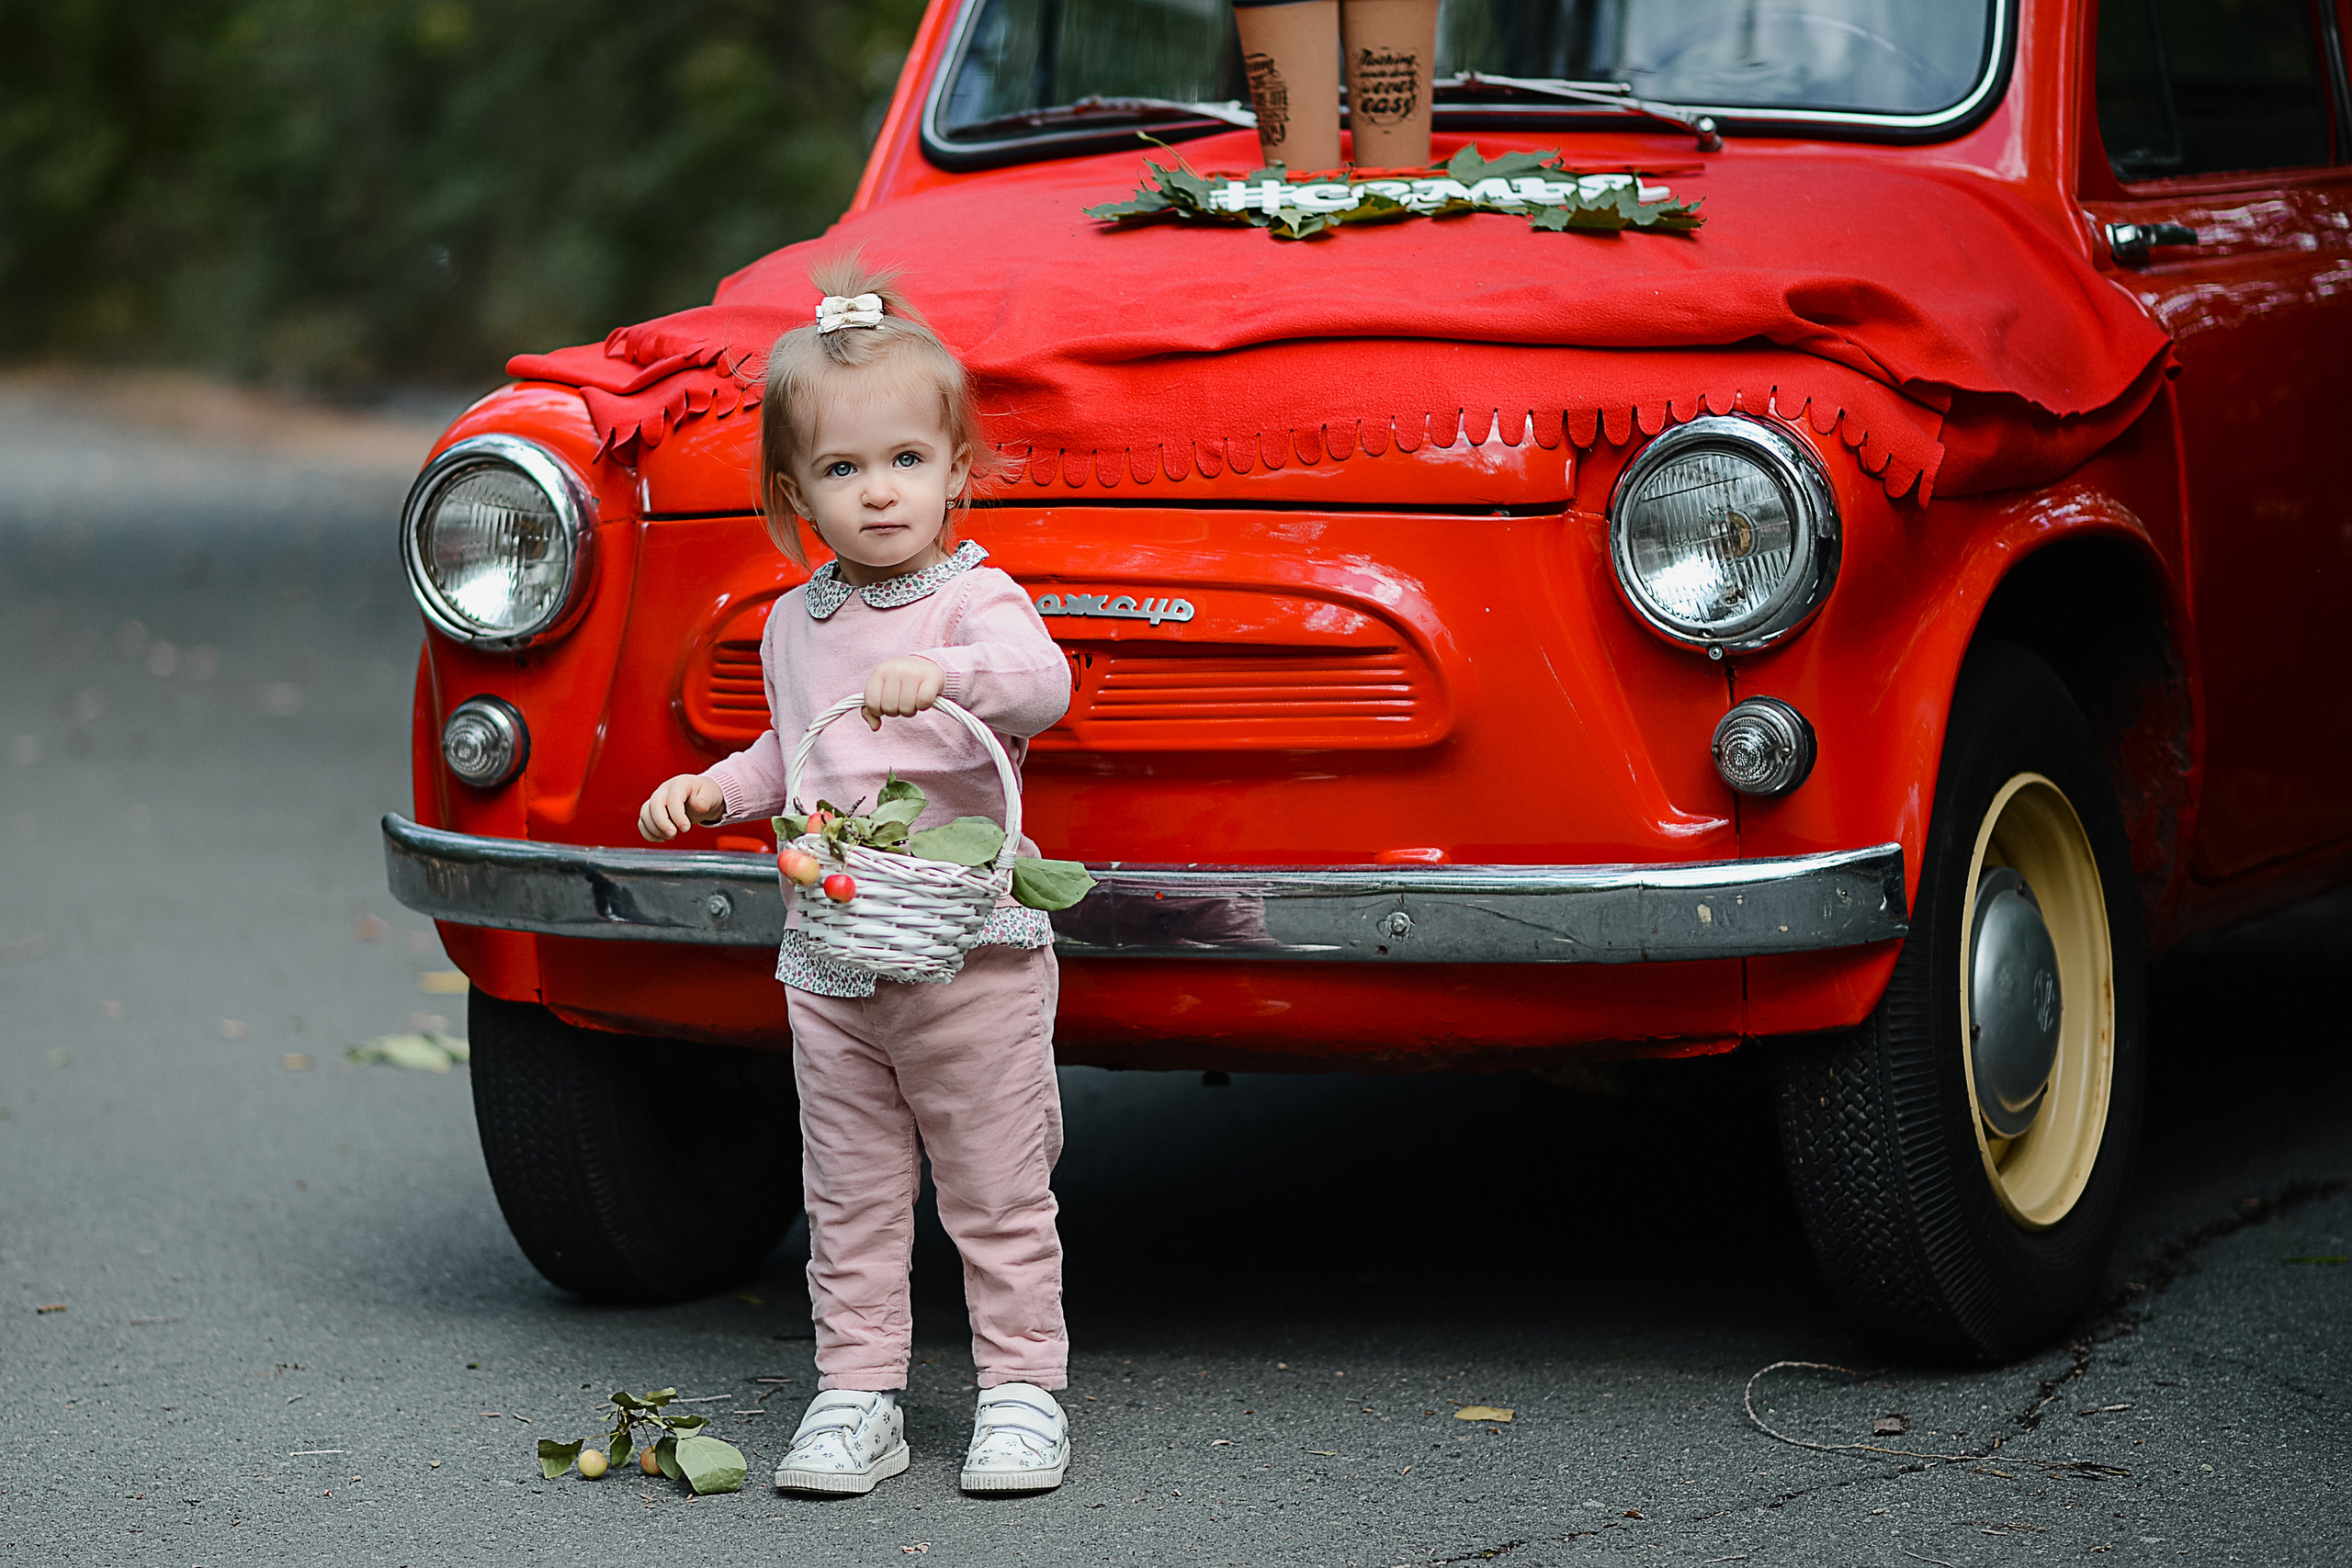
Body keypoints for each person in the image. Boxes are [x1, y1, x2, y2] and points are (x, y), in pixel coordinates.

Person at [636, 258, 1075, 1497]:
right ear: (795, 497)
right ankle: (858, 1393)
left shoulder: (977, 600)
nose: (878, 493)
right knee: (851, 1196)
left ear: (956, 473)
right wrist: (717, 790)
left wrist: (947, 675)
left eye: (906, 462)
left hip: (967, 953)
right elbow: (797, 747)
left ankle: (1023, 1390)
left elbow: (1042, 688)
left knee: (995, 1191)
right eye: (842, 471)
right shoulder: (798, 623)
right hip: (833, 959)